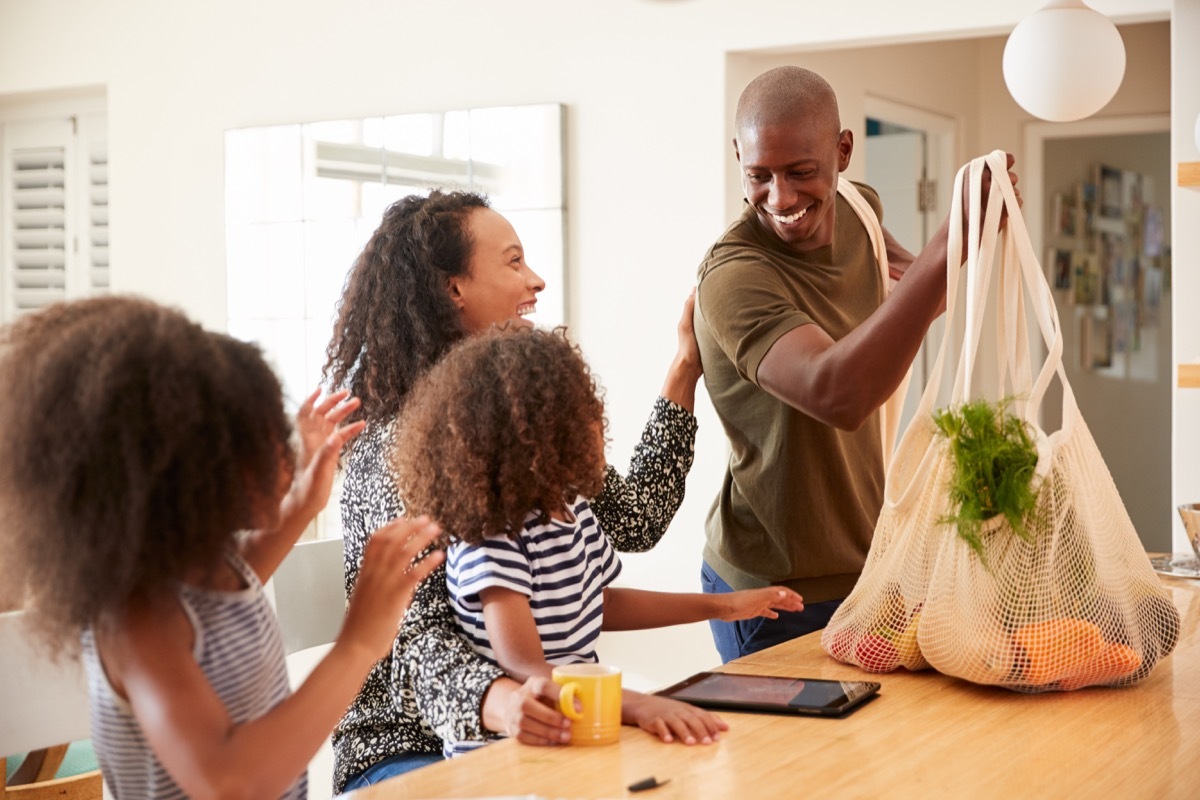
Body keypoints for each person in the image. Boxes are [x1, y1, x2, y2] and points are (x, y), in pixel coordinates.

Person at [322, 190, 707, 792]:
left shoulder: (520, 418)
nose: (537, 280)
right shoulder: (392, 446)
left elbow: (636, 521)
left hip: (521, 720)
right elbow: (412, 640)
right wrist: (501, 701)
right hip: (405, 746)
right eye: (513, 261)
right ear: (454, 289)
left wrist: (684, 370)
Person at [0, 295, 445, 800]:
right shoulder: (139, 619)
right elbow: (230, 781)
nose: (284, 456)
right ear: (170, 476)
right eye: (258, 446)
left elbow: (244, 578)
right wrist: (360, 643)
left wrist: (302, 498)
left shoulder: (214, 570)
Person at [694, 65, 1020, 662]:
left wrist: (973, 237)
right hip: (773, 590)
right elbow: (836, 393)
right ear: (737, 155)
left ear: (842, 151)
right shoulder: (734, 276)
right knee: (795, 757)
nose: (781, 198)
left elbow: (923, 294)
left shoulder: (859, 211)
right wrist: (950, 241)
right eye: (757, 175)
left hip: (868, 563)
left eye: (801, 172)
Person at [392, 327, 805, 756]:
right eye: (582, 410)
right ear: (533, 436)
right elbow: (527, 669)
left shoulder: (573, 508)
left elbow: (598, 602)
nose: (597, 418)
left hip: (581, 724)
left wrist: (725, 607)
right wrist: (638, 703)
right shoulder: (491, 540)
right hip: (512, 752)